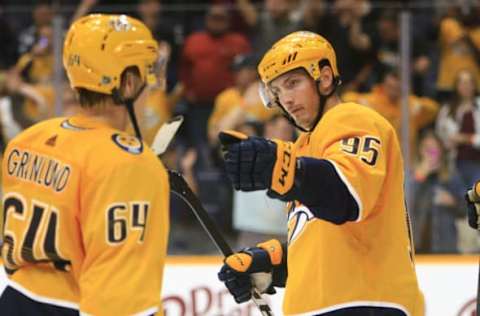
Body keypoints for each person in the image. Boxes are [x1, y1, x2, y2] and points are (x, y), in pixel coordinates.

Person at [217, 31, 424, 315]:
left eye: (292, 83)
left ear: (324, 78)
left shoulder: (354, 118)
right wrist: (273, 262)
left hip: (368, 303)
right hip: (322, 306)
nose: (285, 100)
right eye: (276, 92)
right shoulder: (302, 149)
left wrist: (286, 168)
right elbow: (330, 242)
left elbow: (345, 198)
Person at [0, 14, 170, 316]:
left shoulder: (29, 139)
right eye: (149, 73)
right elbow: (119, 302)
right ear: (129, 83)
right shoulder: (130, 164)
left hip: (14, 301)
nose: (156, 84)